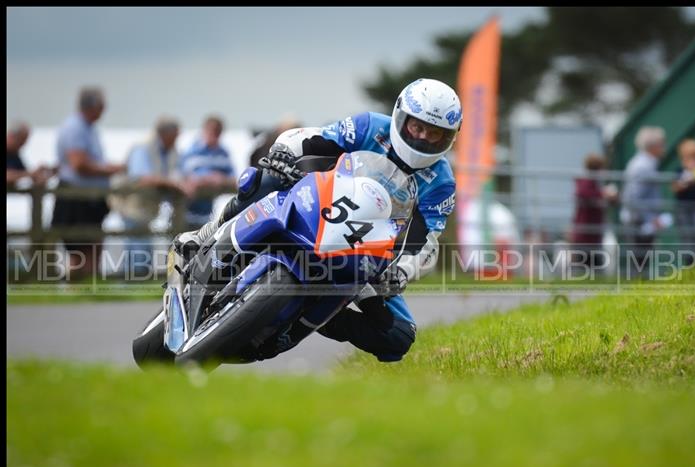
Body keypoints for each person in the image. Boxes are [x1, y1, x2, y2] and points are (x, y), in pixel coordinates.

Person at [175, 78, 463, 363]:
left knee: (399, 336)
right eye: (417, 127)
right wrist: (284, 154)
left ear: (448, 137)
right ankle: (207, 235)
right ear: (401, 117)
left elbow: (426, 242)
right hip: (316, 205)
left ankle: (314, 317)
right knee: (264, 180)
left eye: (434, 134)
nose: (422, 138)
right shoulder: (371, 126)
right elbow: (312, 138)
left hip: (365, 254)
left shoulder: (441, 181)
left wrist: (401, 271)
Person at [52, 87, 126, 280]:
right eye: (102, 106)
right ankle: (75, 285)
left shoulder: (88, 128)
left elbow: (91, 161)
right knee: (79, 249)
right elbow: (79, 164)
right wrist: (111, 170)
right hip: (76, 197)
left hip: (89, 197)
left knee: (93, 243)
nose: (103, 110)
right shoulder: (75, 127)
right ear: (92, 106)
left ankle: (87, 285)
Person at [107, 116, 187, 277]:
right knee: (138, 249)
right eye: (175, 135)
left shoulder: (169, 151)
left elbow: (177, 172)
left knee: (142, 248)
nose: (177, 139)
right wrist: (174, 184)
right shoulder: (143, 148)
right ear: (165, 133)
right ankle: (132, 287)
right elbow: (143, 178)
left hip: (147, 208)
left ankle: (135, 286)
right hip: (131, 206)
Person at [620, 126, 669, 278]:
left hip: (640, 219)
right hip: (640, 221)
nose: (664, 148)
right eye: (661, 144)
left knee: (641, 261)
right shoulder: (644, 166)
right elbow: (634, 197)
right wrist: (651, 219)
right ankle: (635, 294)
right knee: (640, 261)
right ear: (652, 146)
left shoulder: (644, 163)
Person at [180, 115, 236, 228]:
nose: (214, 135)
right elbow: (189, 175)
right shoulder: (193, 150)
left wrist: (221, 179)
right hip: (194, 205)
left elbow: (232, 175)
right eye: (212, 131)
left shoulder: (223, 152)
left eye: (217, 132)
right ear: (204, 130)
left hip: (213, 204)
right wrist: (210, 177)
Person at [570, 153, 617, 272]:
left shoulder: (593, 182)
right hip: (585, 233)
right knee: (584, 264)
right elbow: (583, 193)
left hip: (591, 233)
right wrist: (603, 194)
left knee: (593, 264)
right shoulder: (587, 181)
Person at [7, 121, 54, 186]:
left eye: (24, 141)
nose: (22, 145)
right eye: (21, 141)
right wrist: (30, 174)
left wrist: (41, 175)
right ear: (11, 136)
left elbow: (23, 173)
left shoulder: (14, 154)